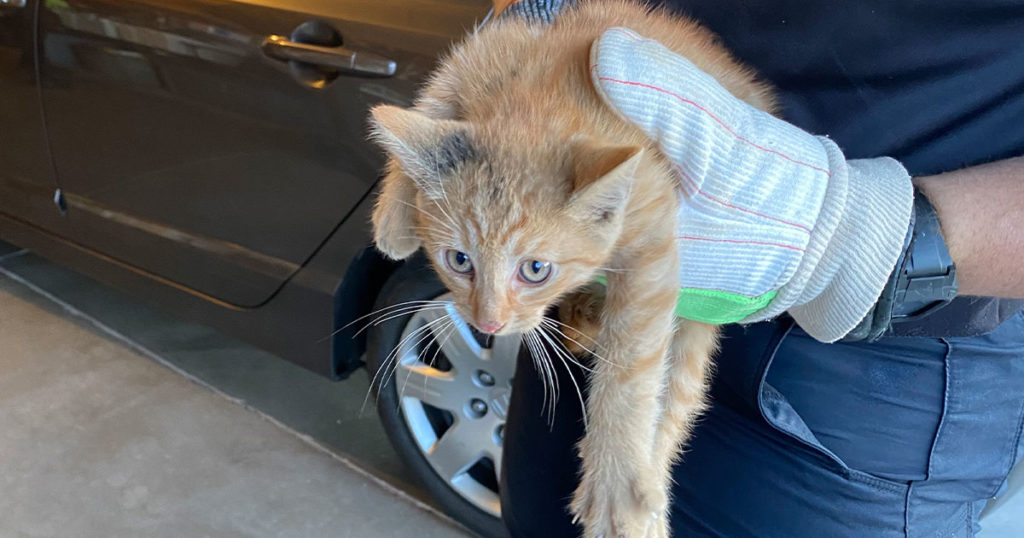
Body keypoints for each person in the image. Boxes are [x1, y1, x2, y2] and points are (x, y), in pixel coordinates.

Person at [493, 1, 1024, 536]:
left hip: (865, 364)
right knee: (540, 519)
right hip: (597, 270)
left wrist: (850, 231)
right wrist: (537, 26)